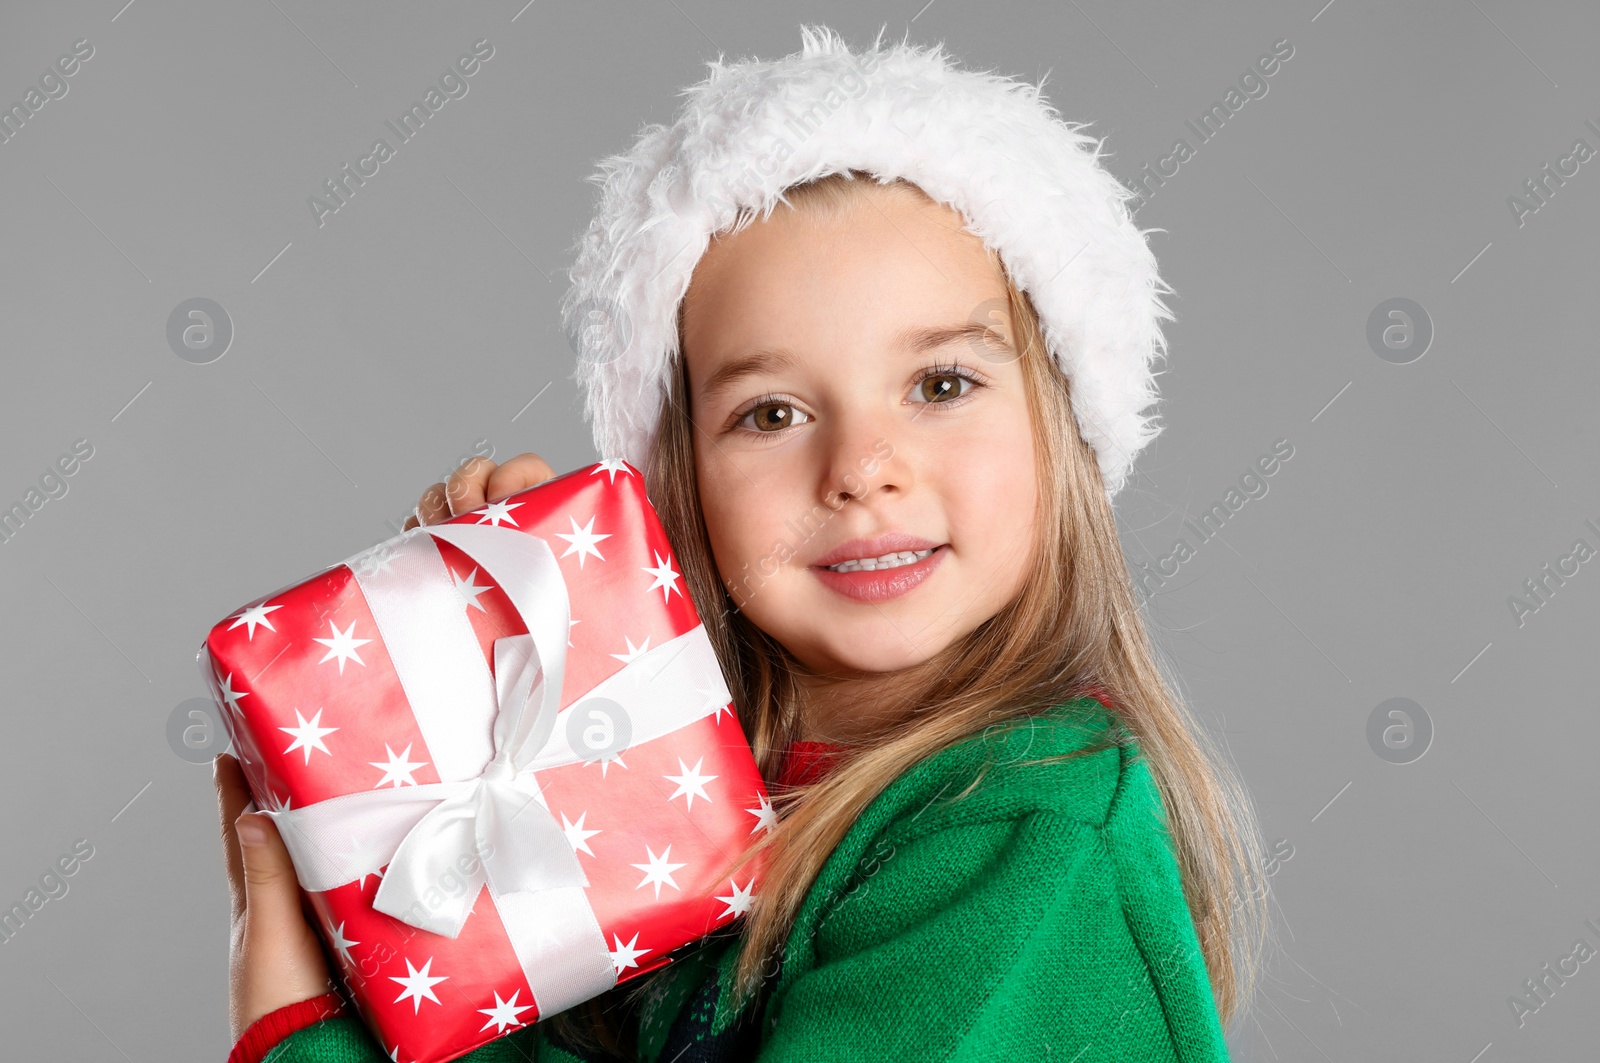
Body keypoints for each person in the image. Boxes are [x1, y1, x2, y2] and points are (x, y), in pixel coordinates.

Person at [213, 24, 1273, 1063]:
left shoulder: (1021, 829)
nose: (861, 466)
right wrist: (504, 723)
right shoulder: (696, 806)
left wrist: (306, 1043)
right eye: (771, 413)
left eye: (941, 384)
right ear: (677, 492)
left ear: (1067, 427)